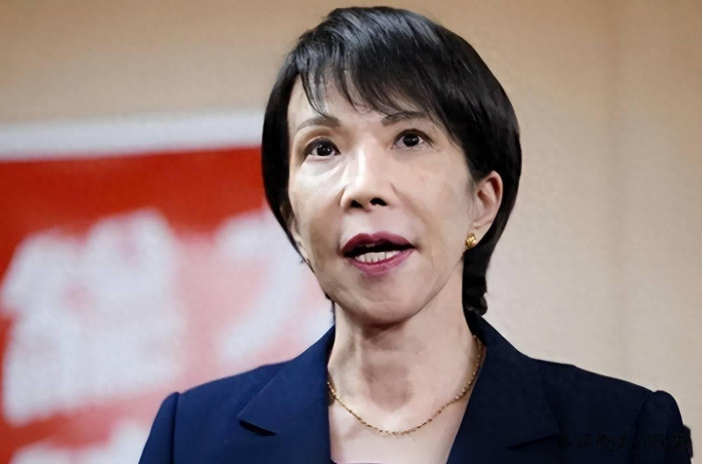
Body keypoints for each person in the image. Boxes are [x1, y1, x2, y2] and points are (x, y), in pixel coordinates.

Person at [139, 6, 692, 463]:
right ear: (292, 223)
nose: (363, 186)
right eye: (323, 147)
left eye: (409, 138)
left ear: (481, 204)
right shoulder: (190, 440)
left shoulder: (627, 435)